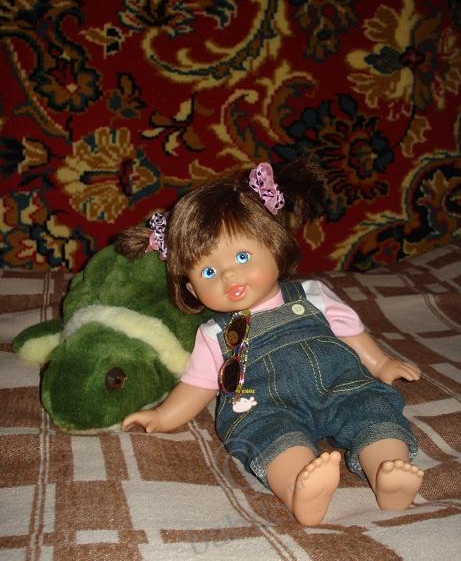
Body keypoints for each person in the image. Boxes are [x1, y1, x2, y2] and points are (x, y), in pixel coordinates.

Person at [117, 158, 423, 526]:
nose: (230, 275)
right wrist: (163, 416)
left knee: (372, 411)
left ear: (274, 246)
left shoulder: (312, 294)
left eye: (242, 256)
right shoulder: (214, 333)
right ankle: (299, 489)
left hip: (341, 384)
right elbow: (197, 386)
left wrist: (381, 363)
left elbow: (351, 331)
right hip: (263, 404)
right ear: (192, 289)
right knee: (273, 438)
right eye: (209, 271)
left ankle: (388, 470)